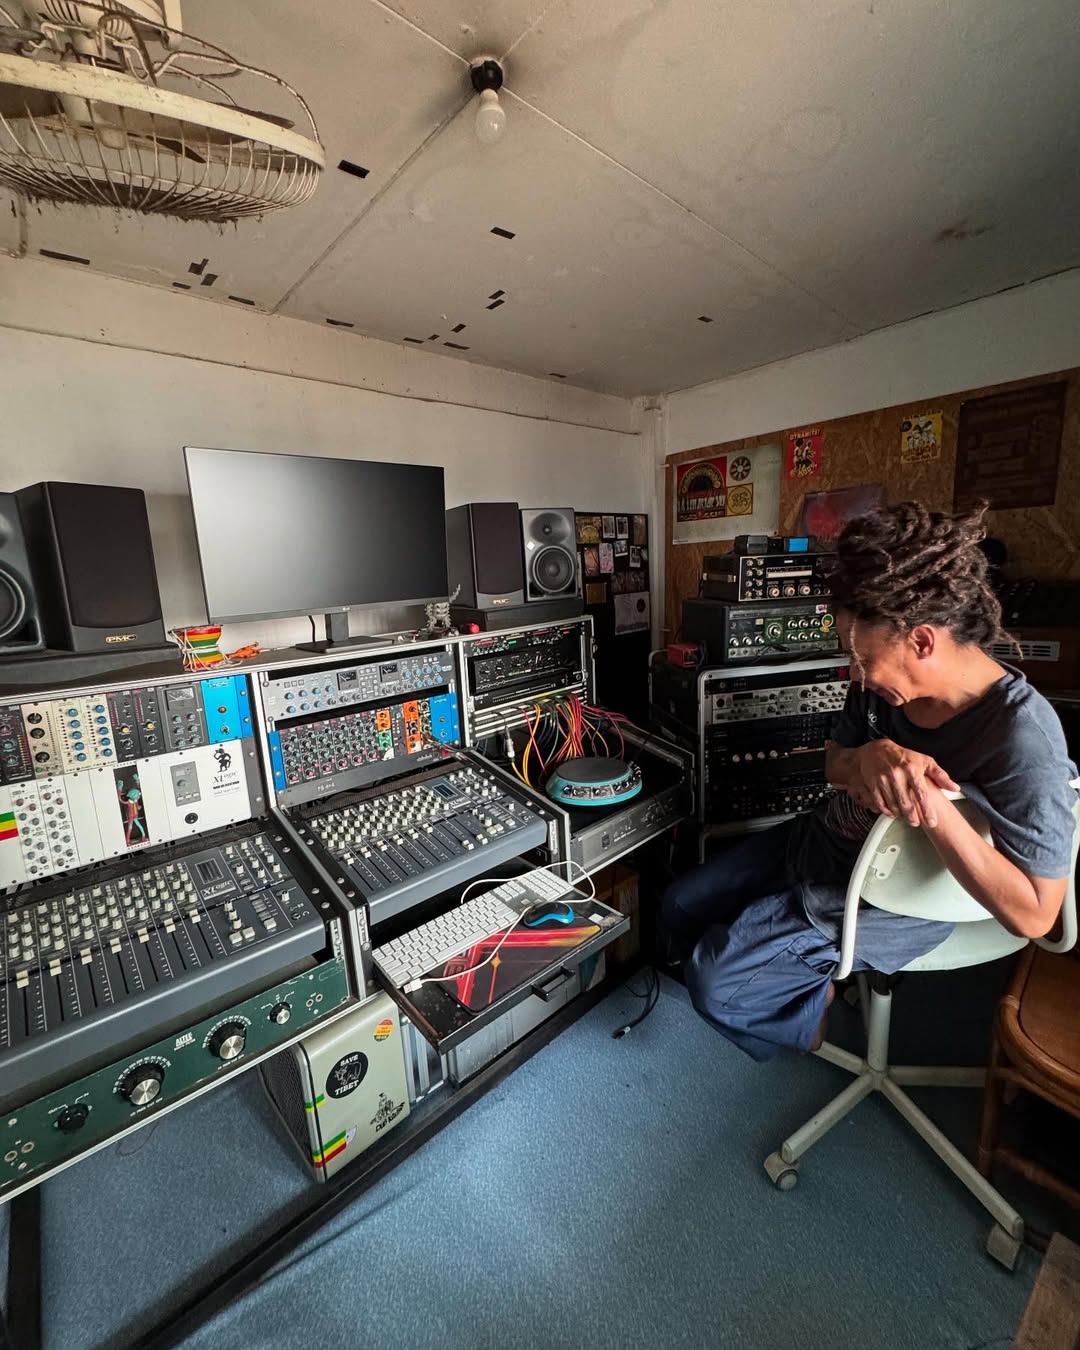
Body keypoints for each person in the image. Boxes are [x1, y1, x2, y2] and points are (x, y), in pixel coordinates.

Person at [662, 500, 1078, 1062]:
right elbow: (831, 764)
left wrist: (931, 804)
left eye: (864, 660)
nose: (855, 674)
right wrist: (867, 759)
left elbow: (1035, 914)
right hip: (822, 841)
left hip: (896, 899)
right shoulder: (877, 689)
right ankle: (793, 981)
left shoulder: (1023, 737)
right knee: (681, 905)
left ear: (922, 641)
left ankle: (808, 1013)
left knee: (716, 984)